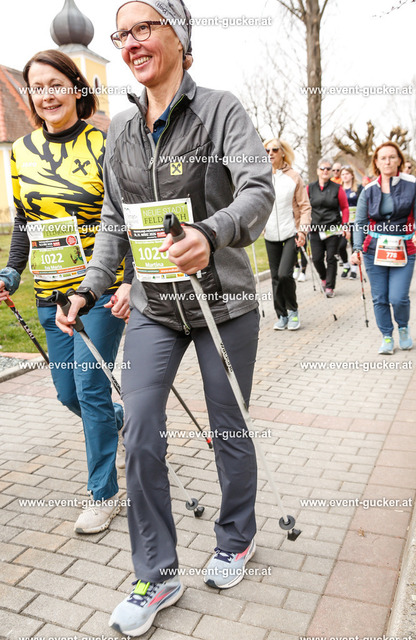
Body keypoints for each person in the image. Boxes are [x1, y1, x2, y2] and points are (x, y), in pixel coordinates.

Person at [55, 1, 274, 635]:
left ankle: (236, 537)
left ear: (178, 35)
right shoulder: (121, 130)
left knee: (227, 426)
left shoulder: (221, 110)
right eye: (122, 34)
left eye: (144, 28)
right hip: (154, 307)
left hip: (222, 303)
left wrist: (211, 232)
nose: (130, 43)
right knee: (140, 428)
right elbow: (113, 222)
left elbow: (257, 189)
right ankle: (156, 571)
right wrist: (90, 289)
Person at [0, 50, 132, 533]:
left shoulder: (105, 142)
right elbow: (23, 221)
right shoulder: (22, 150)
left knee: (90, 388)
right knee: (67, 392)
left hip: (99, 289)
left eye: (56, 84)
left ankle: (104, 494)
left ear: (77, 88)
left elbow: (127, 215)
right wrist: (11, 272)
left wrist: (130, 280)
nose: (47, 95)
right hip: (51, 292)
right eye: (37, 87)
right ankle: (120, 420)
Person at [351, 141, 416, 354]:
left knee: (398, 297)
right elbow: (360, 222)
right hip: (373, 250)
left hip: (404, 248)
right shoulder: (368, 189)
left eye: (392, 157)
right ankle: (386, 335)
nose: (387, 161)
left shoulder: (412, 183)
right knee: (380, 297)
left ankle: (403, 327)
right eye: (383, 158)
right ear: (376, 162)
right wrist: (356, 248)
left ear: (399, 160)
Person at [264, 138, 311, 330]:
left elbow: (305, 206)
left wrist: (303, 230)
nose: (270, 153)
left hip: (291, 232)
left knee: (285, 274)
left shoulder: (294, 176)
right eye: (267, 150)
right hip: (270, 234)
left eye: (275, 149)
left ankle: (293, 311)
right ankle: (281, 314)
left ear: (283, 152)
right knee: (275, 277)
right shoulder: (262, 176)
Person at [307, 158, 350, 298]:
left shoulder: (337, 188)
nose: (325, 171)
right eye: (322, 168)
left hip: (332, 228)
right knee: (317, 258)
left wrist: (345, 225)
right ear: (317, 171)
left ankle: (330, 287)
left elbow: (345, 207)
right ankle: (324, 278)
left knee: (331, 258)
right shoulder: (310, 188)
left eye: (328, 169)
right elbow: (305, 207)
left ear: (331, 171)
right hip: (315, 229)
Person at [339, 166, 362, 279]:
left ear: (352, 175)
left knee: (354, 244)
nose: (345, 176)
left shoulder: (358, 188)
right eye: (343, 174)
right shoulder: (339, 189)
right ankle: (346, 265)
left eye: (347, 174)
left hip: (355, 222)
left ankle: (354, 269)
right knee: (341, 245)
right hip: (343, 222)